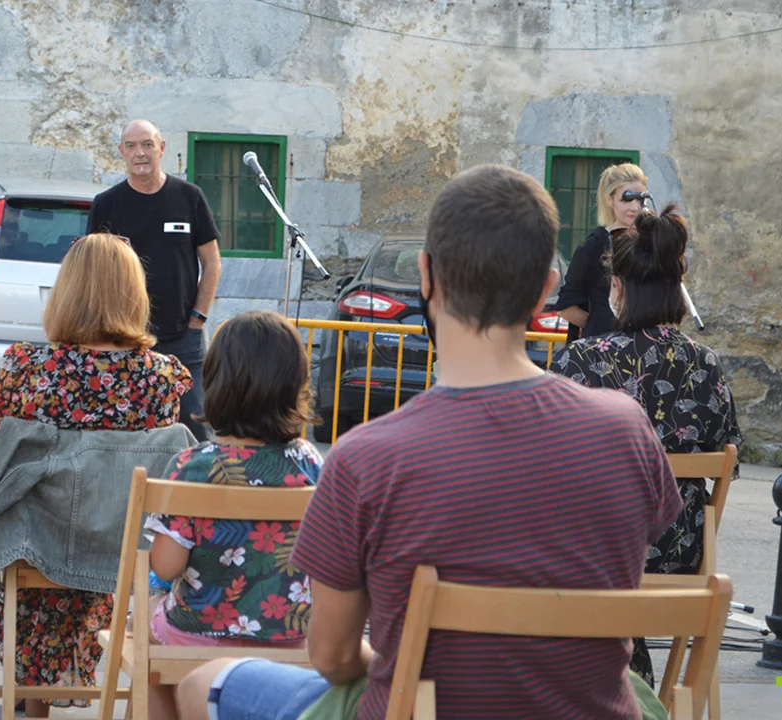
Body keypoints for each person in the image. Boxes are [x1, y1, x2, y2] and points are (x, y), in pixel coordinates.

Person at [175, 165, 682, 720]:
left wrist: (399, 659)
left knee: (202, 684)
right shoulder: (626, 430)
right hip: (588, 708)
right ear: (545, 289)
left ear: (426, 276)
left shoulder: (363, 458)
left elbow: (333, 656)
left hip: (417, 707)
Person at [0, 233, 192, 718]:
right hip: (117, 548)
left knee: (16, 496)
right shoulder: (162, 379)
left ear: (66, 292)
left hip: (33, 540)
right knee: (55, 508)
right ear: (135, 297)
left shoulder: (30, 368)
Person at [552, 204, 742, 685]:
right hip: (677, 552)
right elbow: (729, 458)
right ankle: (633, 683)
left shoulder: (580, 361)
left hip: (594, 550)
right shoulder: (706, 364)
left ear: (616, 289)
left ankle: (616, 682)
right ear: (677, 291)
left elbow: (548, 463)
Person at [144, 310, 323, 720]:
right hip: (289, 639)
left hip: (197, 637)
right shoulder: (311, 464)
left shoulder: (191, 466)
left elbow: (167, 567)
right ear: (294, 388)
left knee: (146, 635)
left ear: (216, 383)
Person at [86, 119, 222, 442]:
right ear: (121, 152)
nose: (140, 153)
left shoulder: (189, 197)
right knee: (125, 432)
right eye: (131, 146)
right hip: (123, 337)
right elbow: (92, 271)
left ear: (161, 148)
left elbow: (212, 263)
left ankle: (195, 477)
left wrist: (198, 319)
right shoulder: (106, 205)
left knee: (195, 429)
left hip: (182, 339)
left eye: (148, 144)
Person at [554, 162, 649, 342]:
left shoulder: (651, 241)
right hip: (604, 347)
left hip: (645, 344)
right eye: (626, 199)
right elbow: (566, 307)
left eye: (640, 199)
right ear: (610, 200)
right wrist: (601, 326)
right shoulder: (593, 247)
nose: (635, 207)